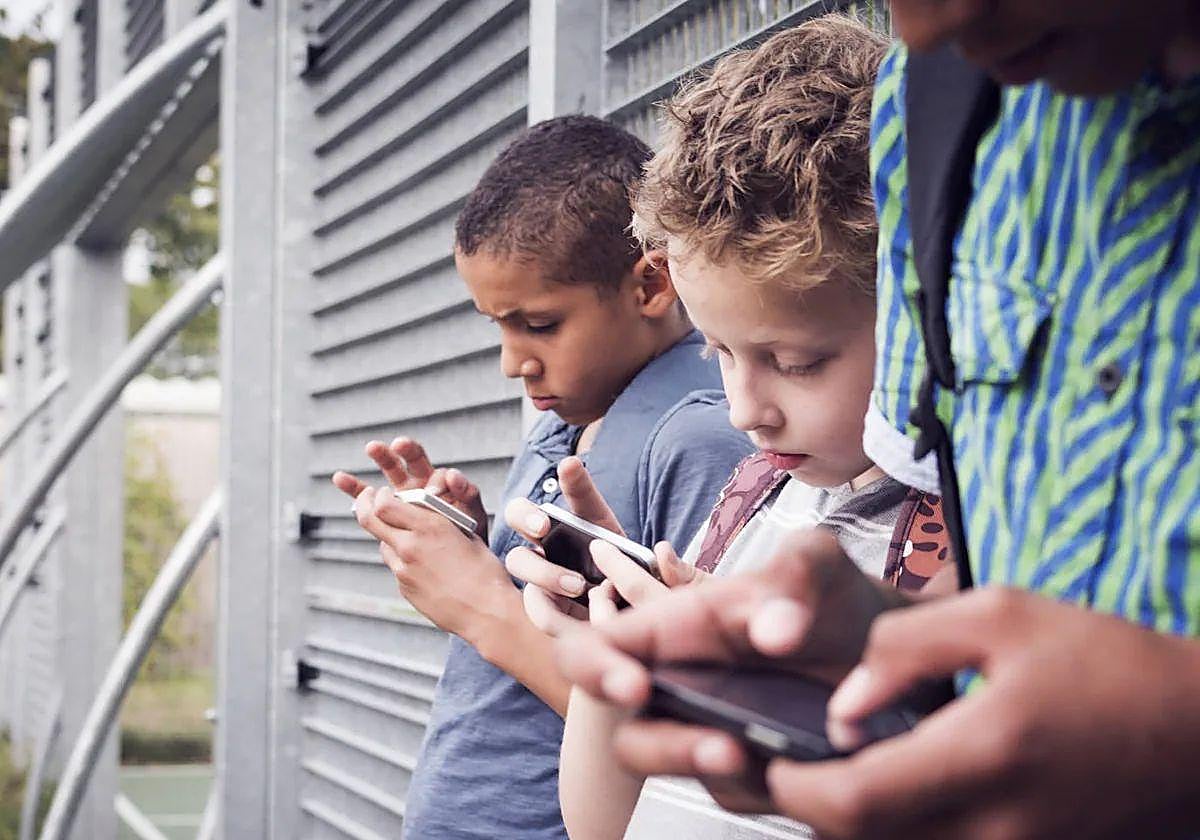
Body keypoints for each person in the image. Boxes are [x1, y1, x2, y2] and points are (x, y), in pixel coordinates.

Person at [551, 3, 1200, 838]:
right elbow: (997, 558)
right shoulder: (935, 112)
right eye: (716, 351)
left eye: (798, 362)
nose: (926, 26)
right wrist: (879, 655)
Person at [502, 17, 950, 839]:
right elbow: (602, 824)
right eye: (718, 351)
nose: (746, 409)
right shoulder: (753, 491)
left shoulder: (967, 546)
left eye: (797, 360)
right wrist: (625, 658)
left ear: (924, 314)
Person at [332, 114, 753, 839]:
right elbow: (562, 616)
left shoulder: (699, 436)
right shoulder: (566, 417)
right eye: (497, 325)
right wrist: (474, 534)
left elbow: (681, 742)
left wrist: (479, 604)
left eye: (540, 324)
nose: (511, 361)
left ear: (650, 284)